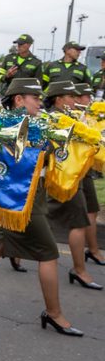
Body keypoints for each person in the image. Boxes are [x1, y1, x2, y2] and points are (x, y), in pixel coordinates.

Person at [0, 78, 83, 336]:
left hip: (30, 196)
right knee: (49, 253)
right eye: (34, 98)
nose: (40, 102)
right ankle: (54, 313)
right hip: (21, 200)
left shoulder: (34, 123)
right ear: (18, 100)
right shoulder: (8, 126)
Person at [44, 81, 103, 290]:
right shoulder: (55, 119)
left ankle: (85, 262)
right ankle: (79, 270)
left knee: (85, 215)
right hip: (64, 177)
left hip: (75, 175)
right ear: (59, 99)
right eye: (70, 96)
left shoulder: (69, 116)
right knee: (77, 223)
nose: (75, 99)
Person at [73, 83, 105, 266]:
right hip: (71, 174)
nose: (90, 99)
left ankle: (93, 250)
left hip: (85, 171)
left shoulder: (88, 115)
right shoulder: (72, 116)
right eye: (86, 96)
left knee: (92, 209)